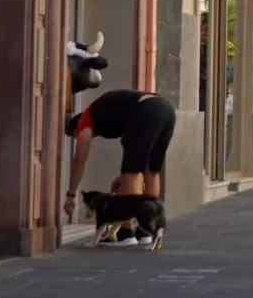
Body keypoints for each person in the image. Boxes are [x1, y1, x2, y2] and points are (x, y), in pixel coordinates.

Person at [63, 89, 177, 246]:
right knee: (152, 170)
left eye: (75, 136)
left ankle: (126, 232)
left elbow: (79, 161)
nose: (79, 138)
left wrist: (71, 195)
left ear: (76, 128)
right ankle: (146, 232)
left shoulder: (85, 120)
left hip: (147, 111)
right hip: (166, 110)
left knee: (131, 171)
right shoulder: (104, 112)